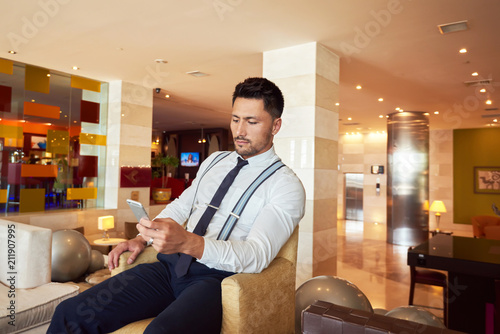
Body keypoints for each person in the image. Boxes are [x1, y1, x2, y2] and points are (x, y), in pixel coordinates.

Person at [48, 77, 305, 334]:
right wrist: (141, 238)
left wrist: (188, 243)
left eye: (252, 122)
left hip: (214, 280)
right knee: (70, 313)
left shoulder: (285, 186)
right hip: (169, 268)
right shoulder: (215, 161)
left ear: (275, 125)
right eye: (236, 119)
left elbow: (257, 256)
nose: (240, 131)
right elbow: (182, 205)